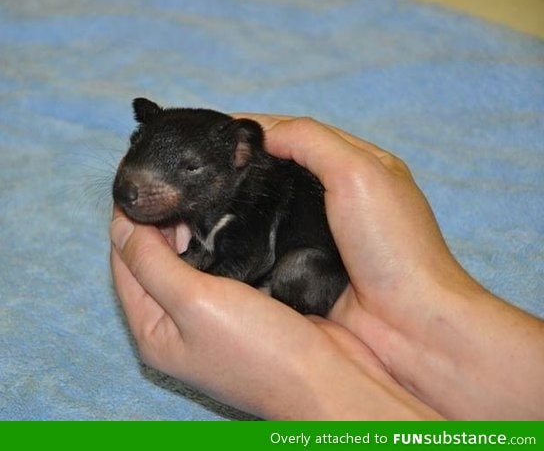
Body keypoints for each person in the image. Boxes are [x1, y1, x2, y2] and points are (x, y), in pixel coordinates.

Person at [110, 114, 544, 420]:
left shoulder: (255, 197)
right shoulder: (222, 198)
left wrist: (305, 381)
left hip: (314, 271)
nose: (140, 186)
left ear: (240, 156)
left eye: (188, 168)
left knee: (298, 269)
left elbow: (249, 256)